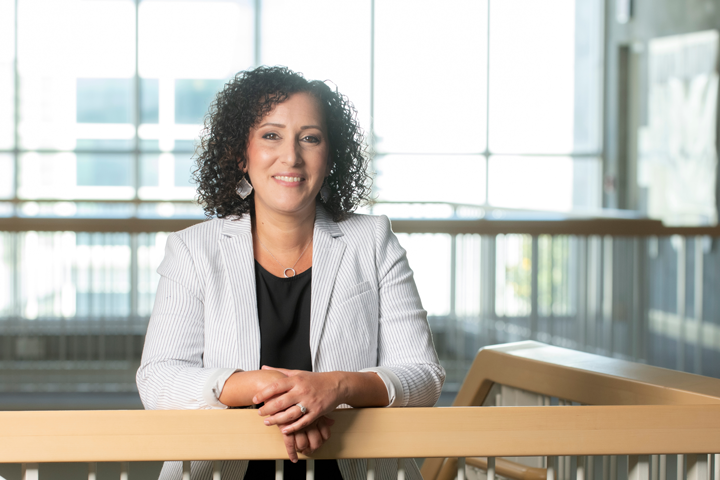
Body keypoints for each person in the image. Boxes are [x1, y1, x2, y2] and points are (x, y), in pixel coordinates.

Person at [136, 66, 445, 480]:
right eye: (271, 135)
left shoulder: (373, 240)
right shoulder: (193, 249)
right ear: (241, 152)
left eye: (310, 138)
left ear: (329, 155)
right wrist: (273, 390)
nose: (291, 156)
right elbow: (158, 379)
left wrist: (336, 388)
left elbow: (424, 376)